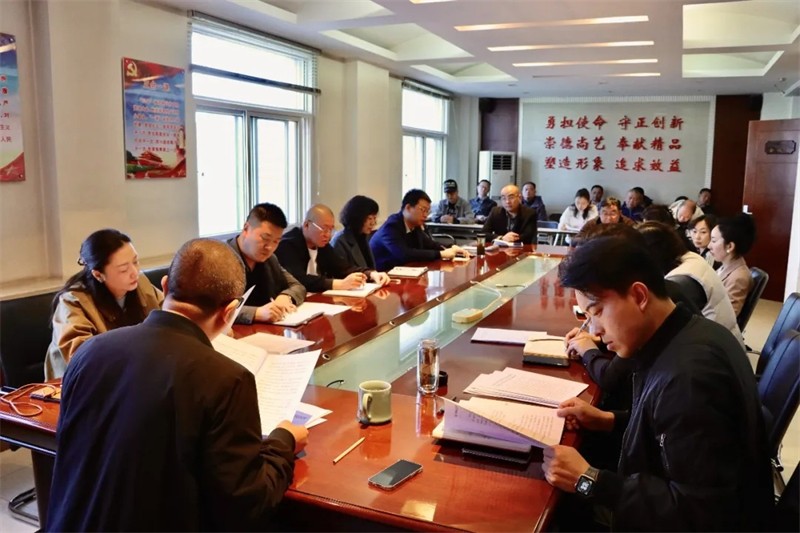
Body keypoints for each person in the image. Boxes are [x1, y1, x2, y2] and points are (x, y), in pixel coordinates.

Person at [46, 239, 309, 531]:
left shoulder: (89, 352)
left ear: (165, 286)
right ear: (229, 311)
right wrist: (283, 442)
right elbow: (246, 505)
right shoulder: (227, 378)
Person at [543, 235, 773, 531]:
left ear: (639, 296)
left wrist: (588, 480)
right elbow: (668, 429)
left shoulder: (690, 378)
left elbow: (699, 514)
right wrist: (607, 420)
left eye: (597, 311)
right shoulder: (690, 332)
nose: (595, 330)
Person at [45, 229, 163, 380]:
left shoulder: (141, 284)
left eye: (135, 262)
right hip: (83, 383)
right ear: (98, 274)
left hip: (132, 374)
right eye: (123, 269)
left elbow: (168, 319)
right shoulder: (72, 302)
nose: (135, 272)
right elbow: (82, 358)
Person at [637, 221, 743, 345]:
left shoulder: (681, 282)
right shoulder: (690, 258)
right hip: (723, 342)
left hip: (715, 349)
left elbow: (658, 331)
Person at [276, 204, 390, 293]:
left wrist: (371, 274)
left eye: (331, 229)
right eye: (324, 229)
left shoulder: (322, 245)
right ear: (306, 225)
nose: (328, 235)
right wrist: (339, 284)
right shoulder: (288, 244)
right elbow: (299, 279)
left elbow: (342, 268)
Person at [227, 203, 306, 324]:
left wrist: (285, 297)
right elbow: (211, 309)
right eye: (265, 238)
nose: (270, 247)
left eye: (276, 241)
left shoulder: (270, 259)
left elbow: (297, 286)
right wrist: (256, 313)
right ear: (246, 229)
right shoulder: (221, 259)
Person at [370, 189, 468, 271]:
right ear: (408, 208)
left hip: (405, 272)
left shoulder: (415, 225)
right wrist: (440, 254)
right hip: (383, 276)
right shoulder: (392, 226)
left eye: (427, 211)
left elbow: (430, 244)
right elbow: (404, 254)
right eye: (423, 210)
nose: (426, 215)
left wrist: (451, 247)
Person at [709, 213, 756, 316]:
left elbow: (726, 317)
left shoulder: (738, 278)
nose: (709, 246)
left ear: (729, 246)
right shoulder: (725, 266)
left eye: (713, 241)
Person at [331, 195, 381, 270]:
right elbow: (341, 272)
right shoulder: (340, 241)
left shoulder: (363, 236)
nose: (373, 223)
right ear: (358, 217)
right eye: (369, 218)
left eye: (374, 218)